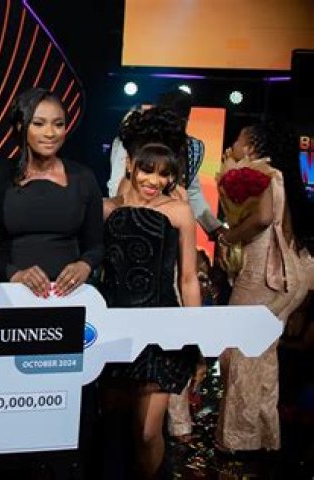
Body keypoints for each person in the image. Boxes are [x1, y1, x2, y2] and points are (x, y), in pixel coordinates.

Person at [100, 139, 201, 479]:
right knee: (114, 426)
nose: (154, 181)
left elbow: (188, 278)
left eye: (164, 174)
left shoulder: (179, 211)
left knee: (147, 432)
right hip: (114, 329)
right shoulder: (105, 209)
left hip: (162, 332)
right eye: (147, 170)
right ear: (130, 164)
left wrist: (195, 336)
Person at [215, 121, 311, 453]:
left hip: (263, 276)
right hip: (288, 275)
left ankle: (239, 440)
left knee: (238, 352)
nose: (232, 145)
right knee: (264, 355)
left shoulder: (260, 174)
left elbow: (263, 218)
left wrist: (228, 237)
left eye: (237, 139)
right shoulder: (281, 176)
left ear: (251, 146)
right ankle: (265, 436)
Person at [0, 87, 103, 296]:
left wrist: (84, 265)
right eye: (39, 124)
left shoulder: (82, 177)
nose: (50, 133)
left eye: (58, 124)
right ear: (21, 126)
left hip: (69, 295)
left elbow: (96, 245)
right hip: (10, 294)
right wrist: (15, 274)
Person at [108, 90, 224, 238]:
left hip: (170, 226)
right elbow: (116, 184)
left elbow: (193, 192)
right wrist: (123, 217)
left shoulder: (187, 148)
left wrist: (215, 229)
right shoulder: (134, 141)